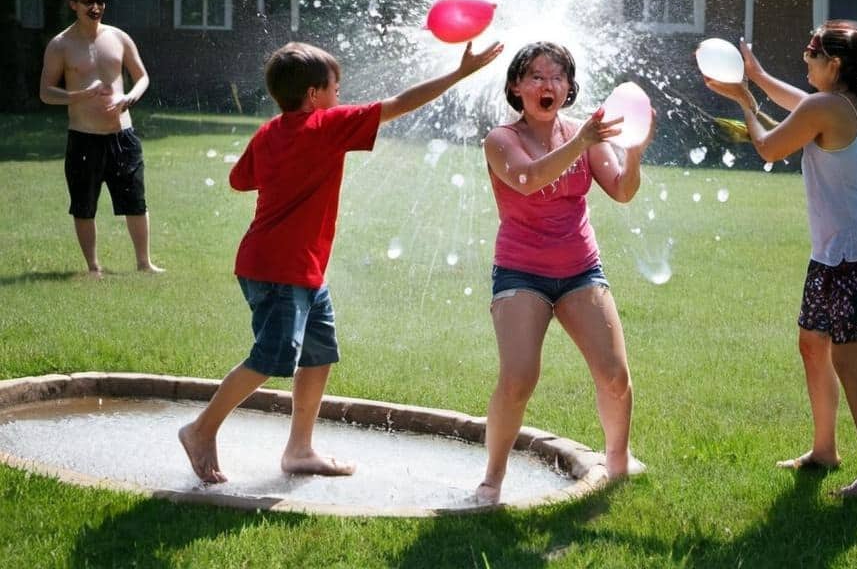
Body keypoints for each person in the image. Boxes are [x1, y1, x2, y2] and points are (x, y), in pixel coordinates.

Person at [178, 39, 503, 484]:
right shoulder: (327, 125)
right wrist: (459, 74)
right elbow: (399, 104)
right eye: (335, 88)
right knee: (271, 357)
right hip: (280, 270)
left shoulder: (270, 132)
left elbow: (240, 180)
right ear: (314, 95)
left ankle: (299, 449)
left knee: (318, 354)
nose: (340, 96)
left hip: (295, 268)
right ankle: (201, 429)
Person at [703, 20, 857, 498]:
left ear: (835, 64)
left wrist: (745, 101)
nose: (805, 58)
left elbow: (769, 147)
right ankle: (824, 450)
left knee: (851, 362)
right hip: (838, 252)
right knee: (813, 344)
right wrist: (757, 76)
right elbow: (799, 103)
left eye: (812, 53)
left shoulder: (827, 107)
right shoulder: (846, 102)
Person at [475, 41, 653, 505]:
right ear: (517, 86)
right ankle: (492, 479)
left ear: (569, 87)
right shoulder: (501, 140)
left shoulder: (583, 135)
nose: (547, 84)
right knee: (518, 378)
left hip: (580, 270)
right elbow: (528, 180)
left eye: (557, 77)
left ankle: (618, 462)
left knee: (614, 375)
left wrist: (634, 153)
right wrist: (582, 142)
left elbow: (622, 191)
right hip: (520, 272)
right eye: (536, 76)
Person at [40, 0, 163, 276]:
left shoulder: (118, 37)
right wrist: (79, 94)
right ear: (73, 4)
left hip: (122, 134)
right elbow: (46, 92)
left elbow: (142, 77)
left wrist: (129, 96)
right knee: (84, 205)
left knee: (135, 200)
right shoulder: (61, 45)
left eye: (99, 1)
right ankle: (93, 267)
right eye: (88, 2)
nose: (95, 7)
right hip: (84, 136)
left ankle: (144, 263)